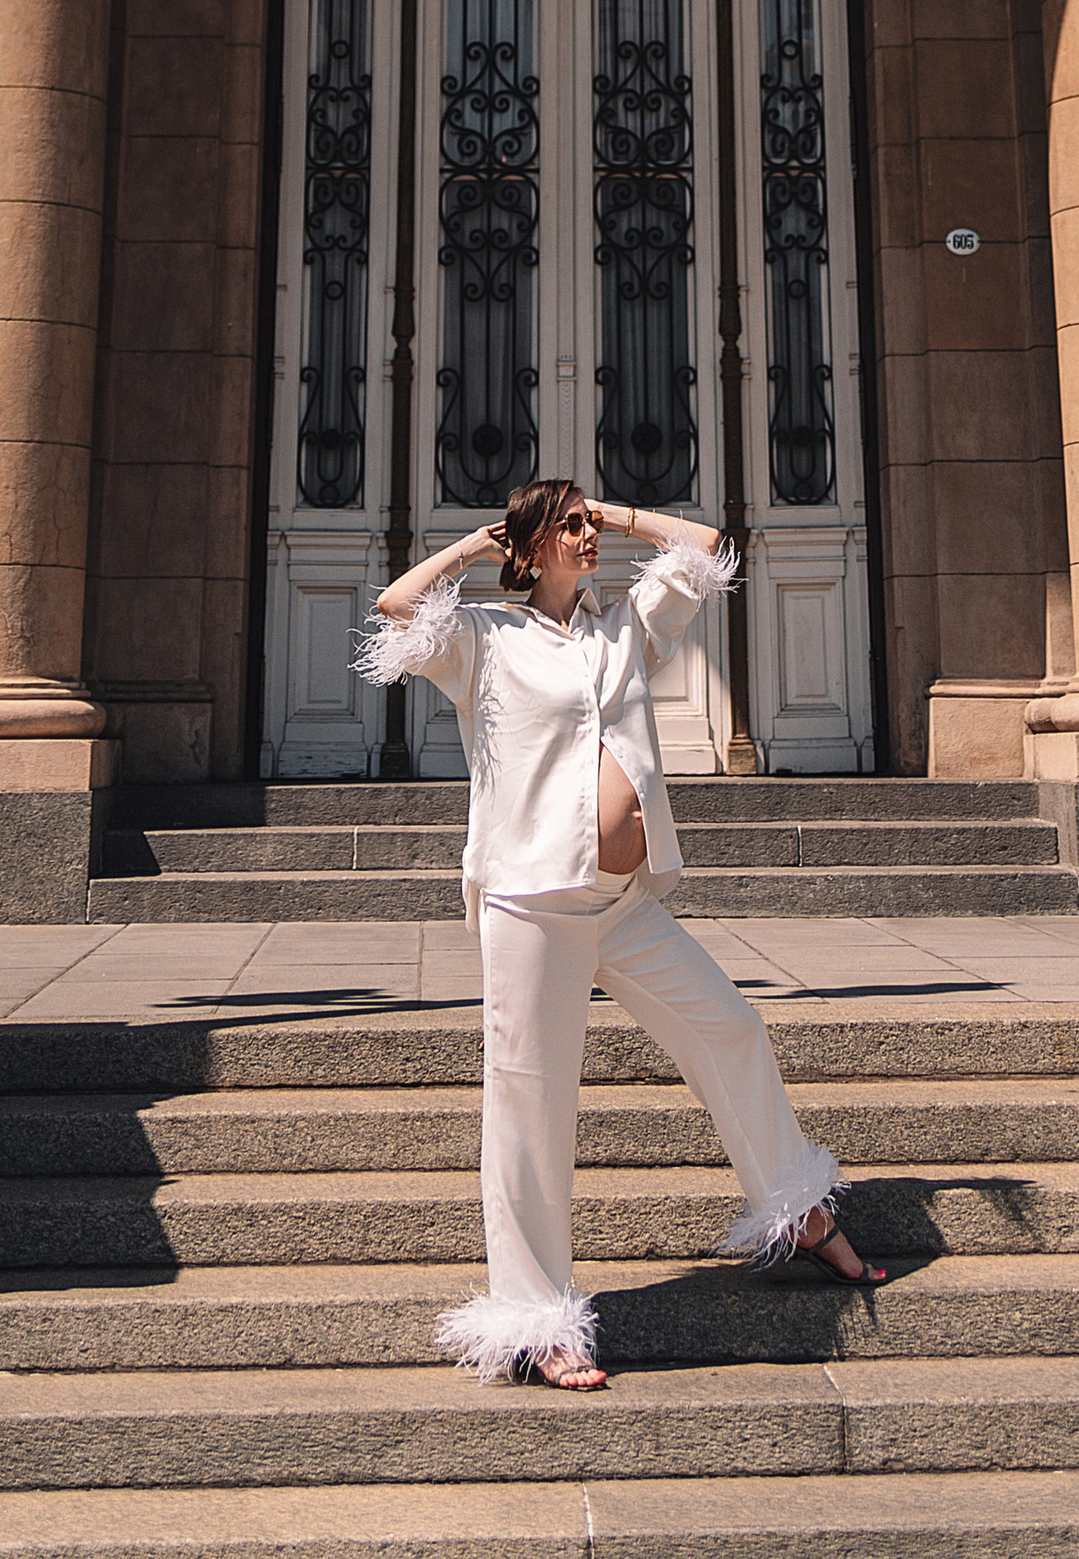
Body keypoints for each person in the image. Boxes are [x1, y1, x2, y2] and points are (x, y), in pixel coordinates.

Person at [356, 478, 887, 1388]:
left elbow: (704, 545)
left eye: (588, 521)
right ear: (530, 546)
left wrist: (619, 515)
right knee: (529, 1107)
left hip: (624, 901)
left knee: (731, 1026)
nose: (587, 534)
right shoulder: (485, 638)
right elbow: (397, 606)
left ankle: (800, 1211)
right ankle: (539, 1320)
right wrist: (481, 545)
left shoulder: (624, 627)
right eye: (569, 525)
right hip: (533, 903)